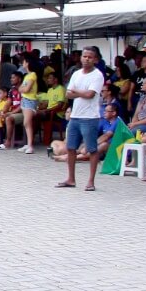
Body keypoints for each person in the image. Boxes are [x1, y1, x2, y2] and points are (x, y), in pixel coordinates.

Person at [55, 45, 105, 190]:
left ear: (95, 59)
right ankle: (71, 179)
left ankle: (91, 181)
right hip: (75, 116)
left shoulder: (97, 75)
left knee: (92, 149)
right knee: (71, 148)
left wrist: (76, 91)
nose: (86, 59)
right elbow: (68, 94)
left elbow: (90, 94)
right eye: (84, 56)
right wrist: (80, 92)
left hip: (90, 117)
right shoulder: (76, 74)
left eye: (90, 57)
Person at [17, 55, 40, 154]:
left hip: (30, 101)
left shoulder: (33, 75)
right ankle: (28, 144)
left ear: (28, 63)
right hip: (25, 100)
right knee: (26, 123)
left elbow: (25, 89)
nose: (23, 63)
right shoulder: (27, 75)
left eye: (24, 61)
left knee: (27, 122)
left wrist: (22, 89)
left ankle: (30, 145)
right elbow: (21, 88)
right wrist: (22, 89)